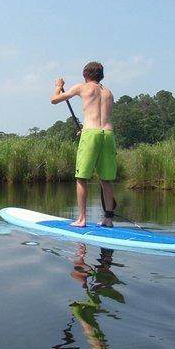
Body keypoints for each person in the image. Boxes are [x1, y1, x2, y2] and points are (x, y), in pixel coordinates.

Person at [50, 62, 116, 227]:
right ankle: (108, 219)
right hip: (107, 134)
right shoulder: (108, 92)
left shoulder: (83, 87)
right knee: (106, 179)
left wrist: (58, 86)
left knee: (81, 178)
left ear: (85, 74)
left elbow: (54, 100)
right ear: (101, 75)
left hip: (91, 134)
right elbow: (100, 116)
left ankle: (81, 219)